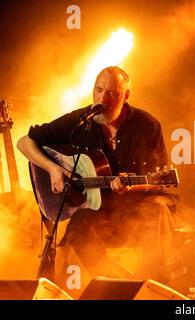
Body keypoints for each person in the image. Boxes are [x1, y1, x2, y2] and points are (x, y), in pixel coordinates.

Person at [17, 66, 177, 282]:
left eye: (112, 93)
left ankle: (153, 288)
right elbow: (25, 142)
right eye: (99, 90)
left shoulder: (146, 126)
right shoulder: (82, 121)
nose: (103, 99)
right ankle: (116, 285)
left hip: (140, 204)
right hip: (104, 209)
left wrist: (132, 186)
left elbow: (158, 183)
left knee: (156, 209)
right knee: (78, 225)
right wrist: (53, 169)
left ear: (126, 96)